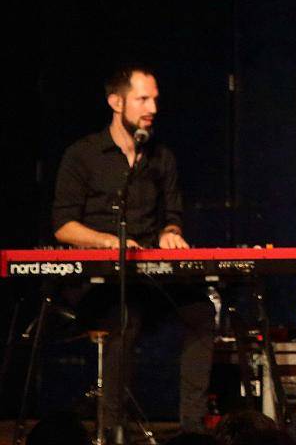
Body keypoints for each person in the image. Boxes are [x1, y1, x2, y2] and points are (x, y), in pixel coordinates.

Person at [51, 66, 215, 433]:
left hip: (147, 274)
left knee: (201, 312)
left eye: (155, 99)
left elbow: (172, 217)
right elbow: (63, 226)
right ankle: (113, 429)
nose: (152, 108)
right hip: (97, 281)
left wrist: (170, 233)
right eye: (143, 99)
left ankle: (192, 428)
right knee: (125, 316)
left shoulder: (162, 158)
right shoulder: (83, 155)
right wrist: (109, 241)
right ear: (116, 102)